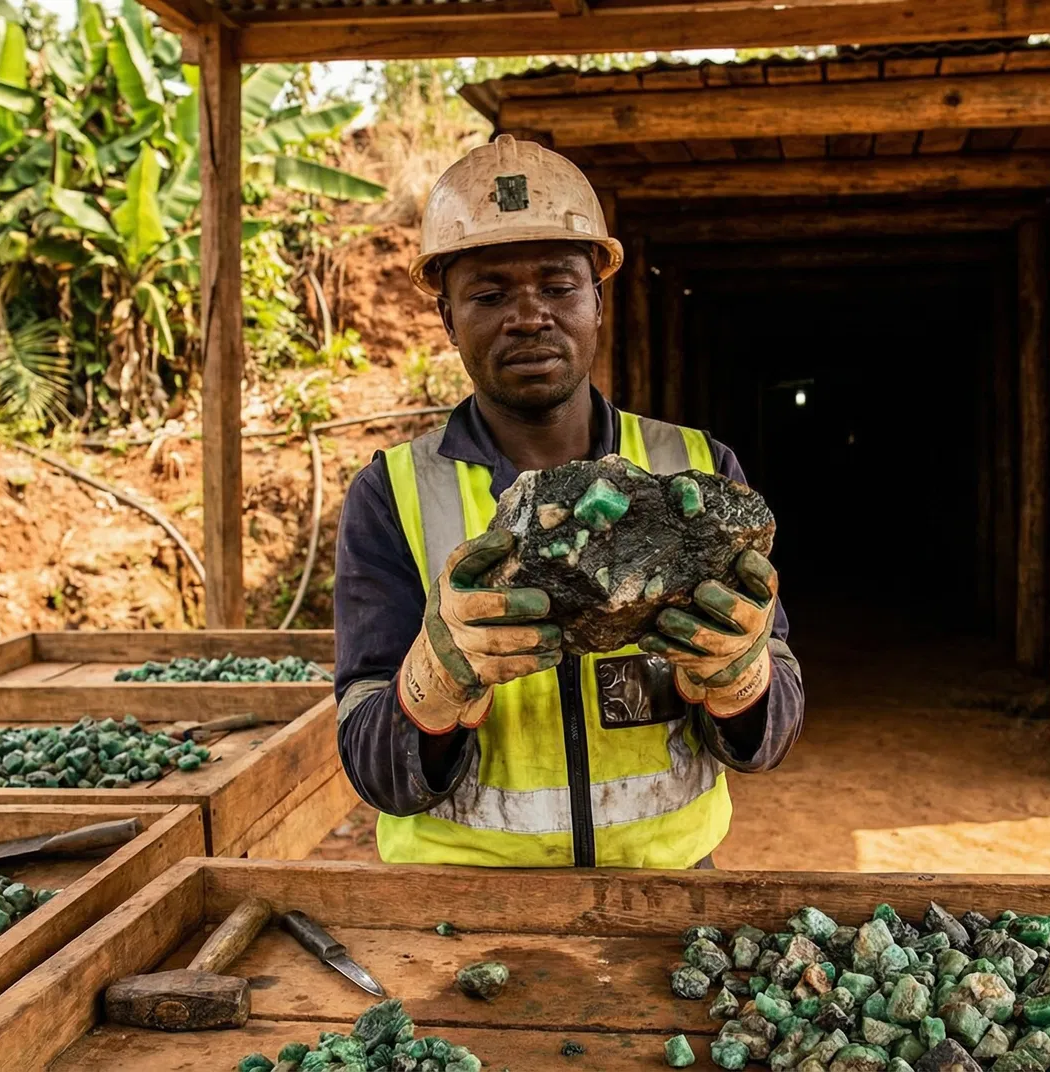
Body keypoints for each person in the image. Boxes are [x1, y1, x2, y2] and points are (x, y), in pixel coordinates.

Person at [332, 135, 804, 869]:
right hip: (459, 916)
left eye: (558, 286)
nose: (529, 316)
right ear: (447, 319)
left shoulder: (699, 468)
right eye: (489, 295)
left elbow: (767, 739)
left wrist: (741, 679)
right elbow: (372, 765)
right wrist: (435, 683)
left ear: (598, 299)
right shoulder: (392, 494)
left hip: (671, 899)